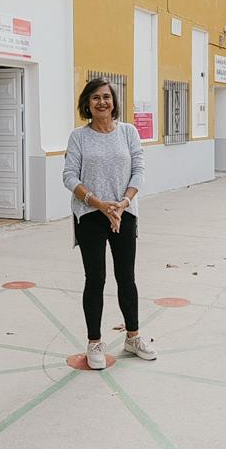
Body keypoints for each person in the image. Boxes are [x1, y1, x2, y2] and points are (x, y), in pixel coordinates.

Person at [63, 78, 156, 370]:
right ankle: (94, 342)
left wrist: (122, 203)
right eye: (95, 98)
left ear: (114, 101)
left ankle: (133, 337)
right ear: (87, 104)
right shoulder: (79, 137)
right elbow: (69, 176)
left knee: (126, 277)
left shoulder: (128, 132)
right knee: (96, 279)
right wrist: (99, 204)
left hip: (124, 213)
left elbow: (139, 169)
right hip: (90, 215)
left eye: (106, 96)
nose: (102, 102)